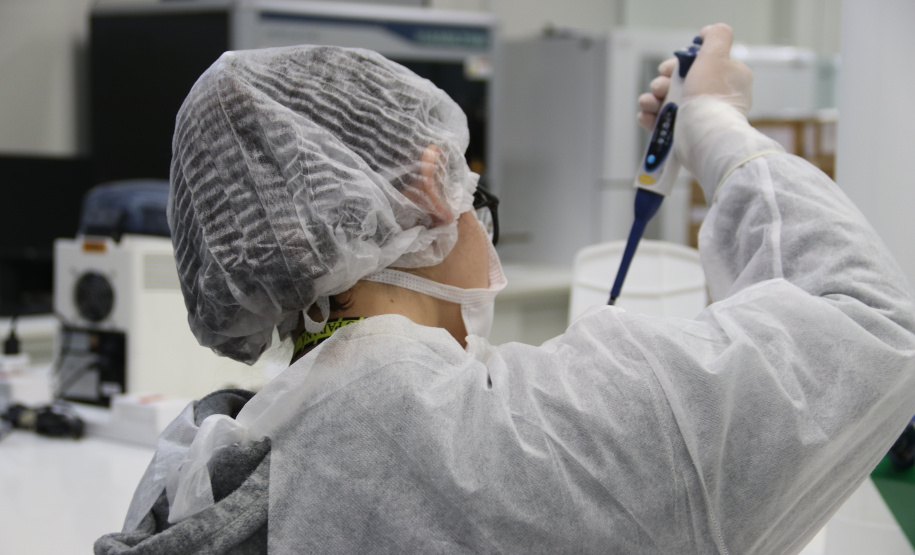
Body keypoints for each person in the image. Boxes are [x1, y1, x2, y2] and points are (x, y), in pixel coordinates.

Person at [96, 24, 915, 554]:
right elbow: (867, 322)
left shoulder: (204, 462)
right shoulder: (514, 441)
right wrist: (716, 126)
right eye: (475, 197)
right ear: (430, 189)